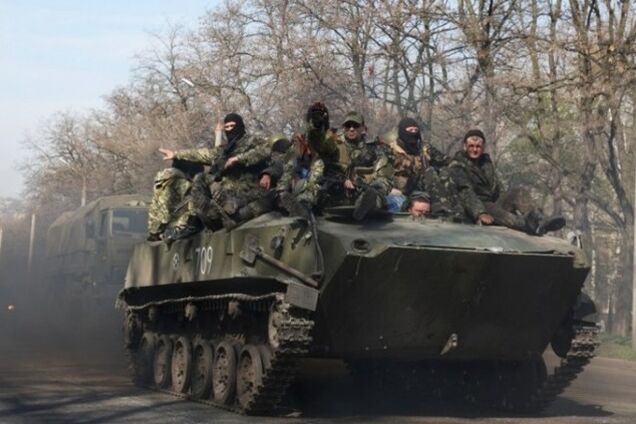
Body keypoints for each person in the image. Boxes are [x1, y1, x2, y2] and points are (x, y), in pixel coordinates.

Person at [159, 113, 272, 237]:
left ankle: (229, 212)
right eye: (226, 127)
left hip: (247, 188)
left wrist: (239, 159)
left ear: (240, 125)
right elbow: (203, 154)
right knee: (201, 178)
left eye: (232, 126)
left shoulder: (252, 141)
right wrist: (176, 154)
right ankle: (207, 218)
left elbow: (266, 150)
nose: (229, 130)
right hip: (226, 192)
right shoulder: (224, 150)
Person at [449, 129, 565, 235]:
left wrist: (508, 201)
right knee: (491, 207)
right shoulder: (457, 165)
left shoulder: (486, 164)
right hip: (473, 208)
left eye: (478, 146)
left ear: (483, 147)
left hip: (492, 206)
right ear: (465, 146)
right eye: (471, 146)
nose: (475, 149)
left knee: (517, 192)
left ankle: (539, 219)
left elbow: (498, 188)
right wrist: (480, 212)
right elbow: (465, 191)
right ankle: (529, 225)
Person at [305, 103, 393, 220]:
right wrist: (316, 126)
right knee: (318, 166)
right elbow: (318, 144)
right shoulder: (334, 145)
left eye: (355, 125)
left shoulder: (373, 150)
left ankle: (368, 203)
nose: (351, 128)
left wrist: (361, 184)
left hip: (363, 193)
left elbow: (385, 176)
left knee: (378, 190)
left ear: (363, 129)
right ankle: (305, 204)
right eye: (348, 125)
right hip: (334, 194)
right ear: (344, 128)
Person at [384, 117, 462, 219]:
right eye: (410, 130)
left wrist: (459, 164)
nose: (413, 133)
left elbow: (445, 160)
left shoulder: (424, 148)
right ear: (402, 131)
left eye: (415, 130)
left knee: (439, 172)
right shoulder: (390, 149)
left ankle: (448, 210)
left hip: (422, 189)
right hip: (399, 191)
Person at [147, 159, 204, 241]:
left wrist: (154, 230)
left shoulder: (162, 183)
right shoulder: (181, 182)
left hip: (158, 230)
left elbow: (155, 207)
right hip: (177, 229)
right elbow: (195, 203)